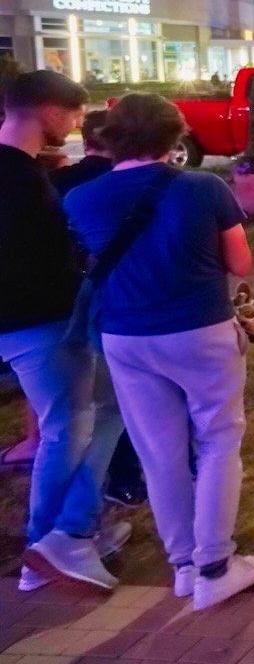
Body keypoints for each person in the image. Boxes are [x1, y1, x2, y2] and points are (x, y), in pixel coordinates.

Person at [65, 93, 254, 608]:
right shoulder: (203, 188)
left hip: (125, 337)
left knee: (159, 454)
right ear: (174, 134)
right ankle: (215, 565)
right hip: (199, 330)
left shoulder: (81, 199)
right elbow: (240, 263)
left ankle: (184, 566)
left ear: (112, 136)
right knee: (218, 440)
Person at [0, 71, 128, 592]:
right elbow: (39, 258)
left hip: (34, 321)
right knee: (68, 430)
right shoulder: (21, 181)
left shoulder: (26, 172)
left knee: (106, 410)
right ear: (50, 111)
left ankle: (74, 530)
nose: (76, 124)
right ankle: (49, 548)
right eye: (73, 114)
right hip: (41, 322)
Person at [51, 110, 146, 509]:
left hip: (67, 299)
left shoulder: (56, 182)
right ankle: (123, 477)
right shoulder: (126, 184)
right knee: (118, 399)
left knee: (81, 404)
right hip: (120, 301)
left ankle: (118, 477)